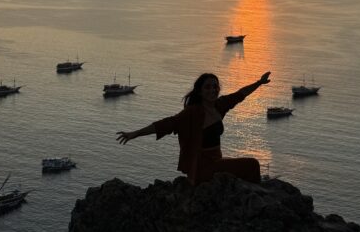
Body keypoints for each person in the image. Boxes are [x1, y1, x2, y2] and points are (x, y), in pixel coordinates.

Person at [116, 71, 271, 185]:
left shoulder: (219, 106)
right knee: (252, 164)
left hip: (216, 160)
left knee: (249, 166)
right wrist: (135, 133)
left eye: (215, 87)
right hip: (202, 167)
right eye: (208, 87)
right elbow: (167, 123)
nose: (212, 90)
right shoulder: (193, 112)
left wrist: (259, 82)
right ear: (200, 91)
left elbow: (240, 94)